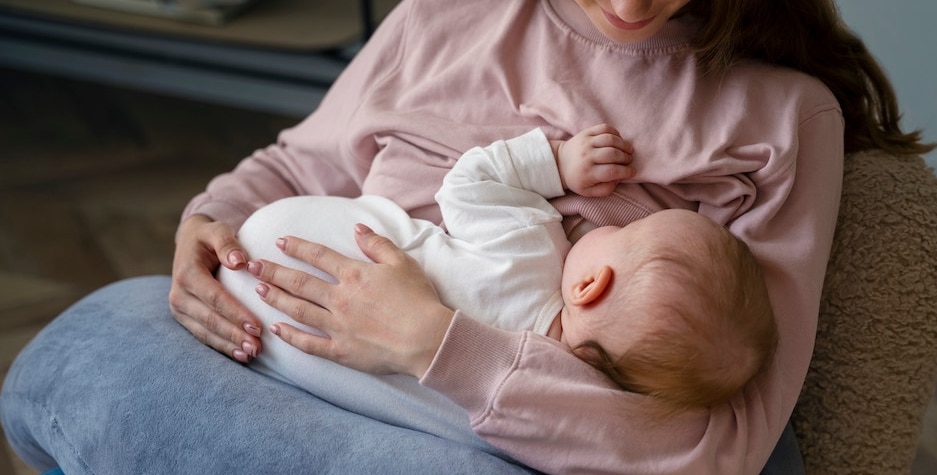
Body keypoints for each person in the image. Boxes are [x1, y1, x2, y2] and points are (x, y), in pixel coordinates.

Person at [0, 1, 937, 475]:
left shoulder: (777, 116)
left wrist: (433, 343)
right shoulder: (444, 19)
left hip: (529, 460)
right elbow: (300, 161)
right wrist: (207, 221)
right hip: (298, 371)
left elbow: (718, 436)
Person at [222, 125, 777, 416]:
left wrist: (556, 163)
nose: (609, 224)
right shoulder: (555, 389)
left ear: (588, 285)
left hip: (275, 245)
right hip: (290, 360)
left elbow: (468, 182)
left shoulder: (532, 252)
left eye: (626, 231)